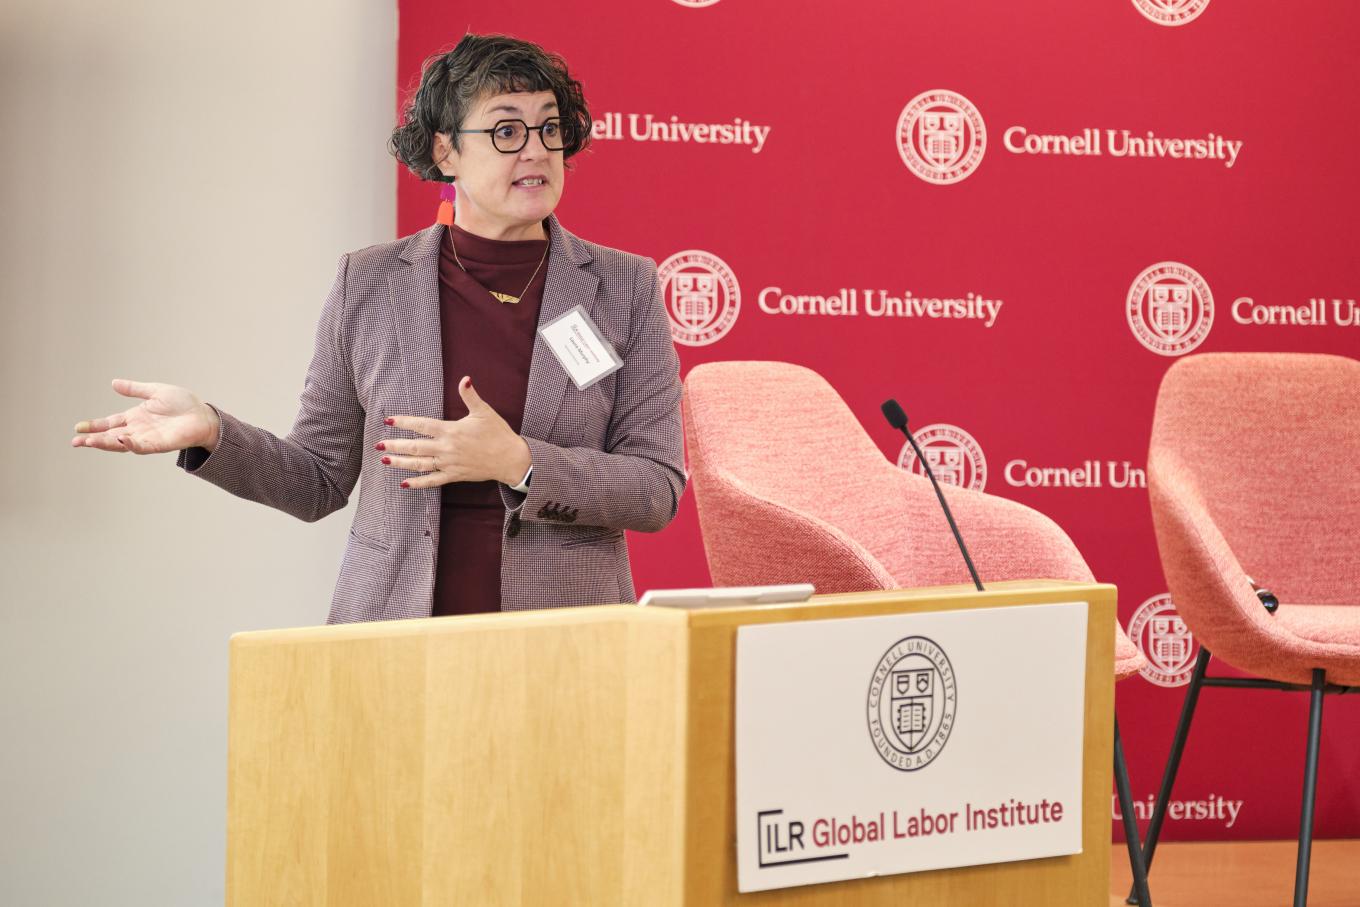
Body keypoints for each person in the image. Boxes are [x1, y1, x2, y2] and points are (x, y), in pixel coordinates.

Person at [70, 33, 686, 623]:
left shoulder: (622, 288)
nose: (535, 150)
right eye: (505, 130)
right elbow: (316, 480)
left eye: (549, 128)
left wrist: (520, 462)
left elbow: (656, 488)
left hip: (567, 639)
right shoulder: (368, 282)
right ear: (445, 150)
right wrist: (212, 431)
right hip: (391, 635)